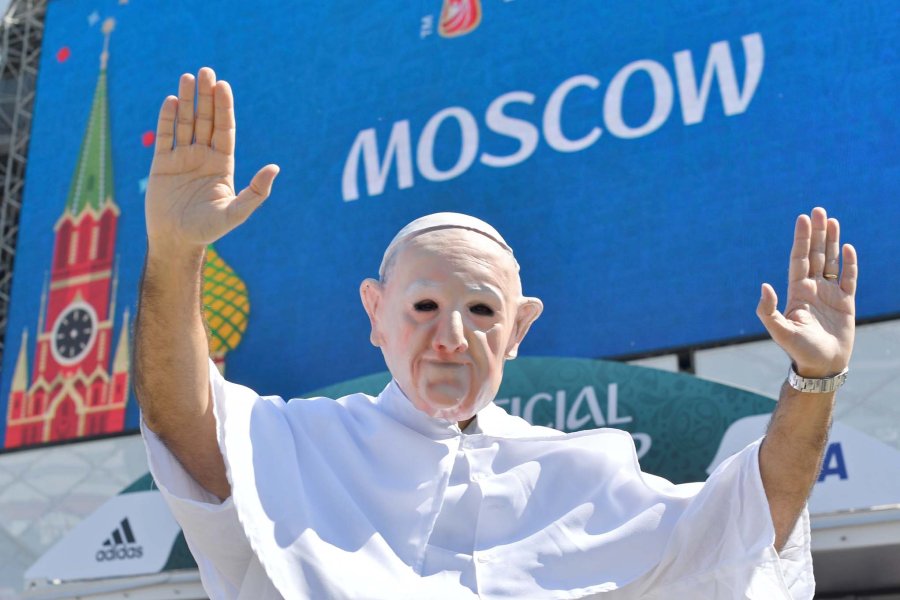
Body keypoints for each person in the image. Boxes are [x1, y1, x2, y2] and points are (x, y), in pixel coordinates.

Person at [135, 68, 858, 599]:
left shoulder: (588, 477)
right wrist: (174, 255)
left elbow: (753, 515)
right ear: (374, 315)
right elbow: (182, 417)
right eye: (423, 308)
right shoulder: (302, 446)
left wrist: (814, 381)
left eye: (481, 312)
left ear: (518, 330)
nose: (451, 335)